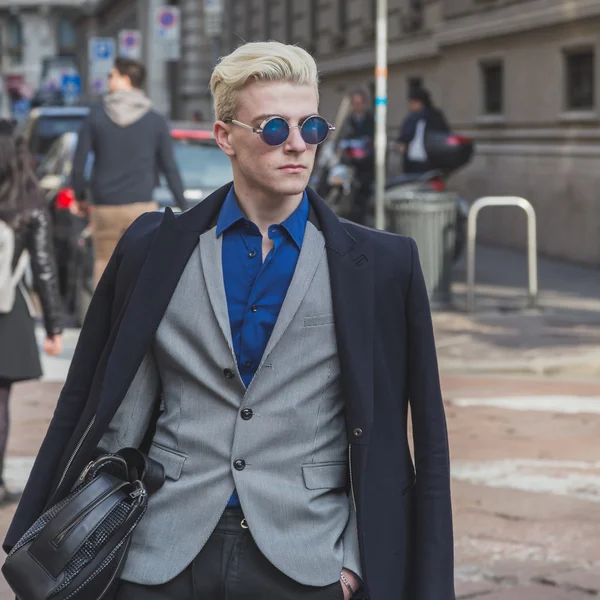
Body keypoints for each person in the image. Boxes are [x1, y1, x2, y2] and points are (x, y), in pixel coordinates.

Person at [4, 42, 455, 600]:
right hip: (156, 556)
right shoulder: (154, 248)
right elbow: (96, 398)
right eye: (272, 128)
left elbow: (420, 435)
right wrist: (64, 528)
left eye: (311, 126)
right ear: (225, 137)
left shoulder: (382, 265)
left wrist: (356, 561)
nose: (296, 144)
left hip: (306, 561)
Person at [71, 57, 188, 285]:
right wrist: (183, 206)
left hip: (105, 205)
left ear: (125, 79)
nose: (108, 80)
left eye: (111, 75)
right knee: (143, 265)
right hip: (142, 205)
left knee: (104, 262)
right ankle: (138, 318)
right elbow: (169, 167)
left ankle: (102, 319)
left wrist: (81, 197)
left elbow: (78, 164)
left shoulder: (96, 116)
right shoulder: (155, 120)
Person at [0, 122, 63, 507]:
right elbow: (44, 268)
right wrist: (54, 325)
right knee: (1, 401)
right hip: (8, 311)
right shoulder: (28, 202)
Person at [340, 89, 375, 224]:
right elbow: (343, 137)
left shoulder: (371, 119)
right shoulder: (349, 120)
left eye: (359, 103)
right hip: (351, 163)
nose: (357, 106)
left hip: (366, 164)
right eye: (355, 103)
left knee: (364, 195)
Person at [397, 87, 451, 173]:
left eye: (413, 102)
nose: (410, 105)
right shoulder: (410, 119)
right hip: (412, 161)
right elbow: (404, 136)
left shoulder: (434, 116)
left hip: (430, 162)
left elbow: (442, 136)